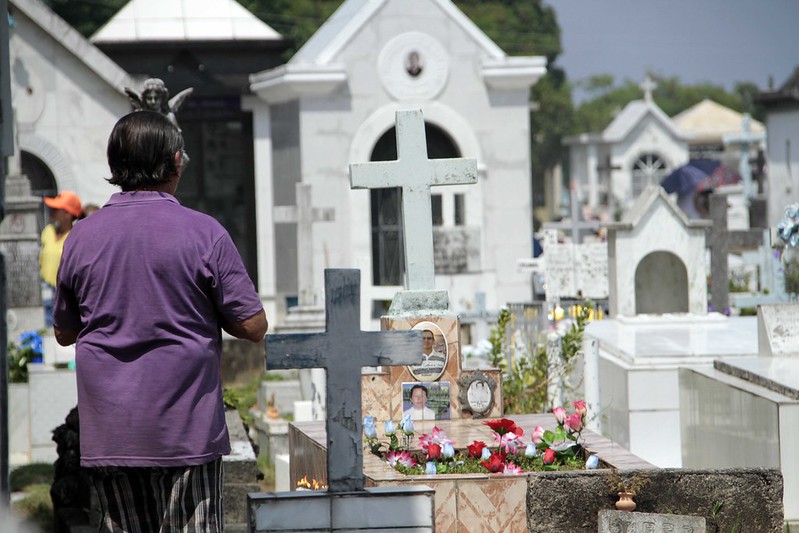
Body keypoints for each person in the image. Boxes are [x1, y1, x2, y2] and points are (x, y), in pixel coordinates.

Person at [53, 111, 268, 532]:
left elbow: (64, 332)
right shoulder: (204, 233)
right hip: (186, 430)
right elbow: (253, 326)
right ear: (175, 162)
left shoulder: (80, 237)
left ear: (115, 167)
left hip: (112, 431)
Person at [40, 190, 83, 327]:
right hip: (46, 285)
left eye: (57, 209)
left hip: (65, 289)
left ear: (68, 214)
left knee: (64, 326)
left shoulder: (75, 236)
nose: (52, 211)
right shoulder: (48, 231)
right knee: (48, 324)